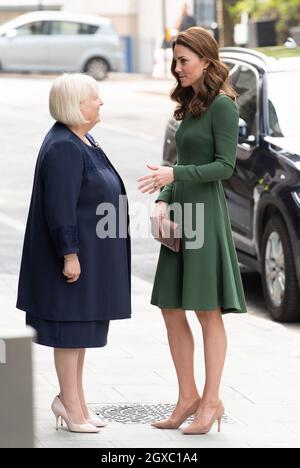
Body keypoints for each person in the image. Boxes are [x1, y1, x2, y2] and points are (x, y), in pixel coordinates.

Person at [138, 27, 247, 435]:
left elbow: (225, 167)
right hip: (181, 211)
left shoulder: (222, 106)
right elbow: (179, 164)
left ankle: (212, 400)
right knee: (171, 306)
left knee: (206, 310)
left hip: (206, 214)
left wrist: (175, 174)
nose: (177, 68)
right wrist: (164, 197)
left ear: (206, 60)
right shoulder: (190, 103)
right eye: (175, 60)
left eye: (184, 60)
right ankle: (188, 396)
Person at [17, 73, 131, 433]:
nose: (101, 103)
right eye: (95, 98)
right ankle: (69, 404)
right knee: (69, 332)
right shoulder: (64, 146)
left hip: (90, 256)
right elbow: (60, 208)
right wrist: (70, 254)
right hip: (73, 258)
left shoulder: (83, 138)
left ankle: (75, 402)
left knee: (79, 331)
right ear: (75, 105)